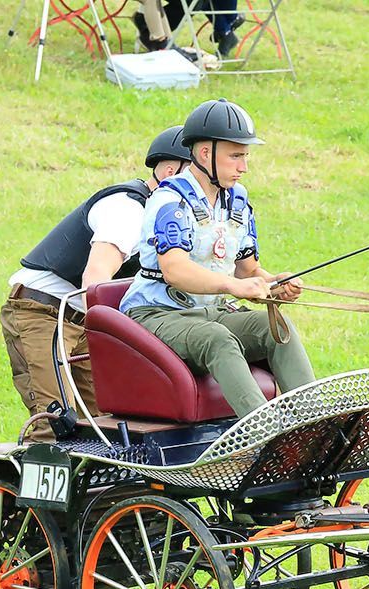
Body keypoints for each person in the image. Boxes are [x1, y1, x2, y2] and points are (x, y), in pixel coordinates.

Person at [119, 98, 314, 418]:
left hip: (211, 310)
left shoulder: (238, 200)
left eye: (246, 156)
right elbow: (175, 270)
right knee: (218, 339)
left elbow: (247, 268)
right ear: (205, 153)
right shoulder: (170, 199)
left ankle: (315, 427)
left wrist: (273, 285)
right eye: (236, 155)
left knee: (276, 327)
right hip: (156, 314)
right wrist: (234, 287)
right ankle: (265, 435)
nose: (244, 166)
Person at [0, 127, 192, 438]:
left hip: (86, 319)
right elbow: (96, 279)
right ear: (171, 172)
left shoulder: (171, 218)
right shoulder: (128, 209)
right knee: (55, 423)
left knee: (105, 425)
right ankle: (25, 484)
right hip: (43, 312)